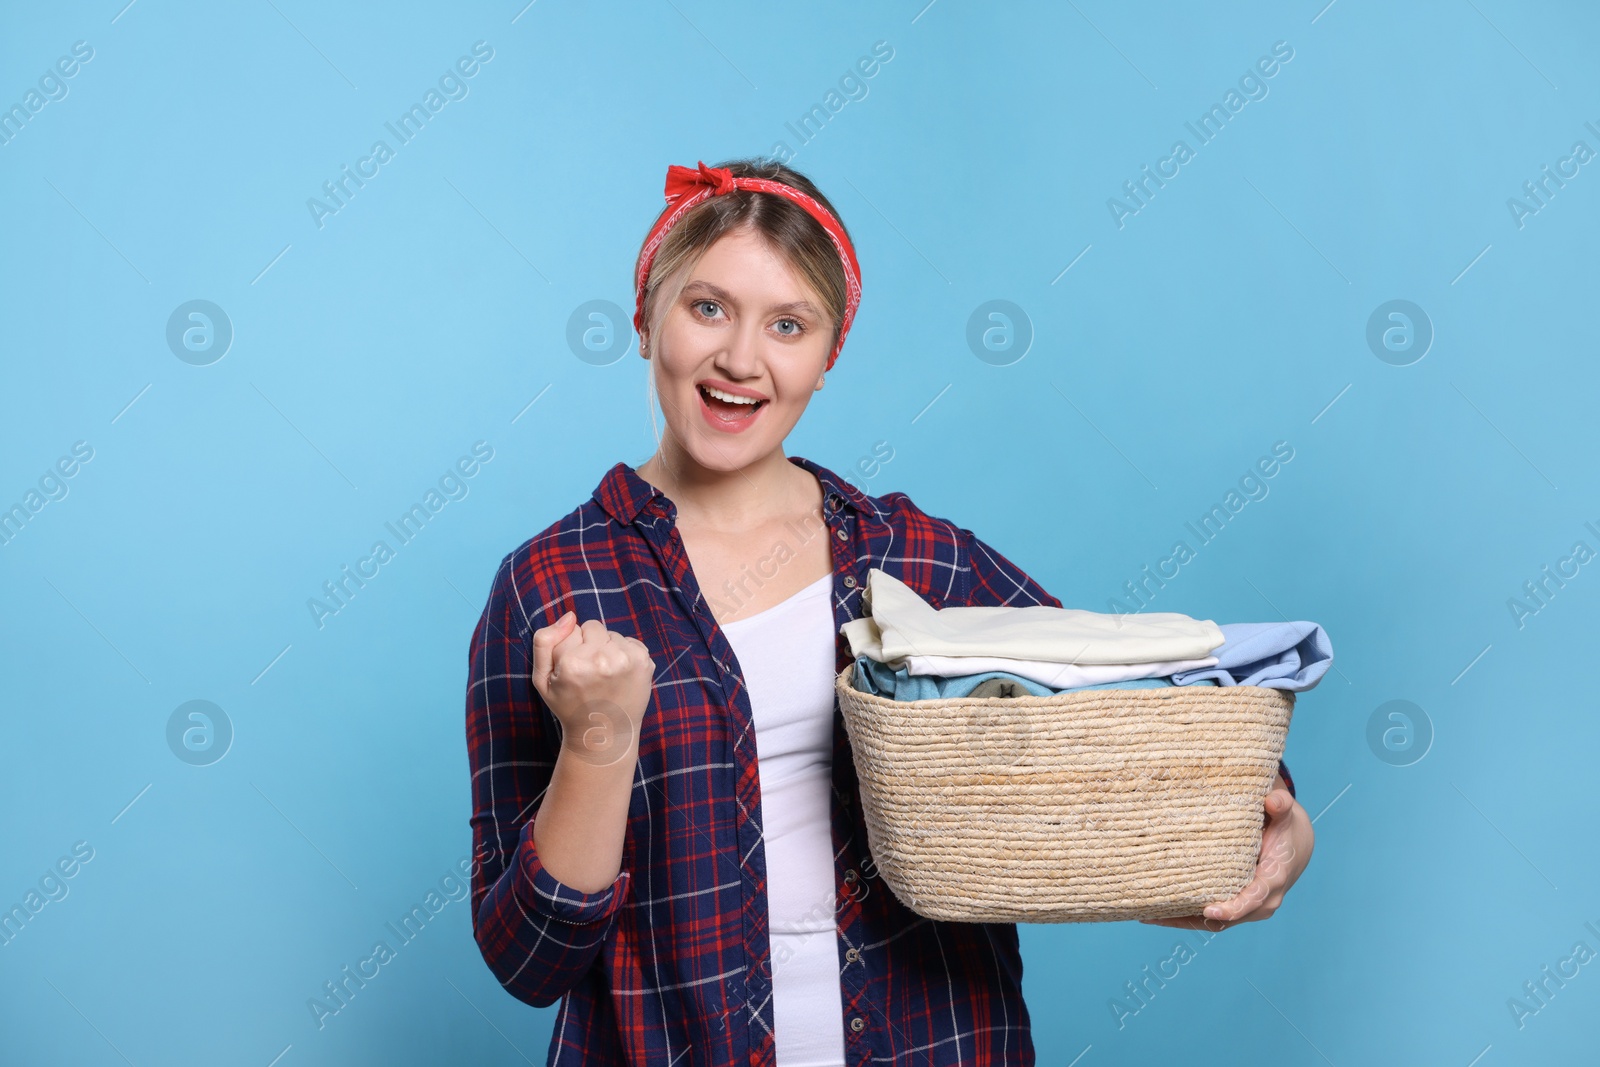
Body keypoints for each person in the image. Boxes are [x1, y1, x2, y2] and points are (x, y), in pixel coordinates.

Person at [465, 157, 1315, 1065]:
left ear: (828, 358)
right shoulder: (553, 586)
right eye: (706, 307)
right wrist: (601, 738)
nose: (741, 359)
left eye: (788, 325)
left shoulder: (921, 561)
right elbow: (531, 960)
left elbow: (1124, 726)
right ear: (644, 318)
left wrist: (1272, 826)